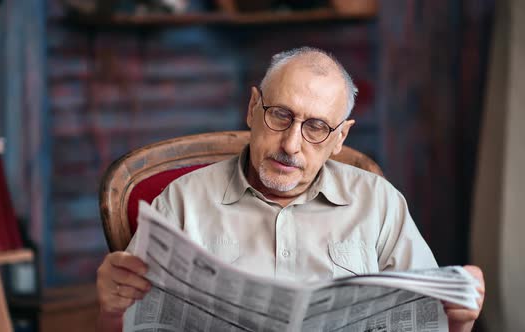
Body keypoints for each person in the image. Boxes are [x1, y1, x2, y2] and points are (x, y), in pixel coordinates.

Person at [96, 47, 485, 331]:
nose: (291, 145)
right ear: (253, 109)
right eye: (280, 115)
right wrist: (112, 307)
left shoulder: (379, 203)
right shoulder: (183, 201)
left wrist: (458, 321)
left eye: (316, 127)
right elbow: (125, 323)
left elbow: (431, 323)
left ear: (339, 138)